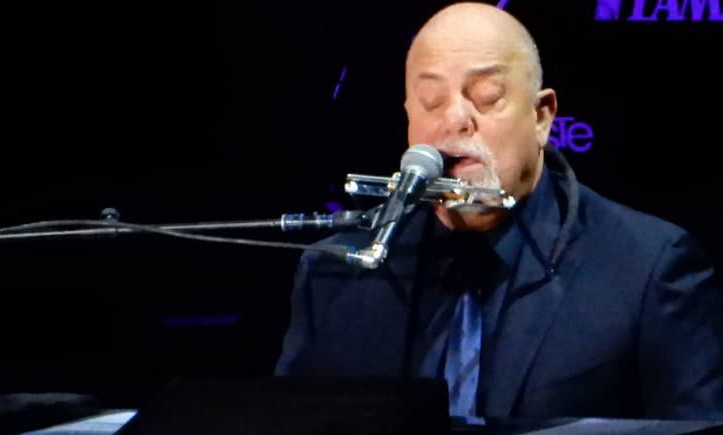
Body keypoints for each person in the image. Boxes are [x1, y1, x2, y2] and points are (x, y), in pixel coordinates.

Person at [275, 2, 723, 421]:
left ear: (542, 116)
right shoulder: (335, 274)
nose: (455, 119)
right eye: (431, 102)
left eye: (487, 96)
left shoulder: (649, 268)